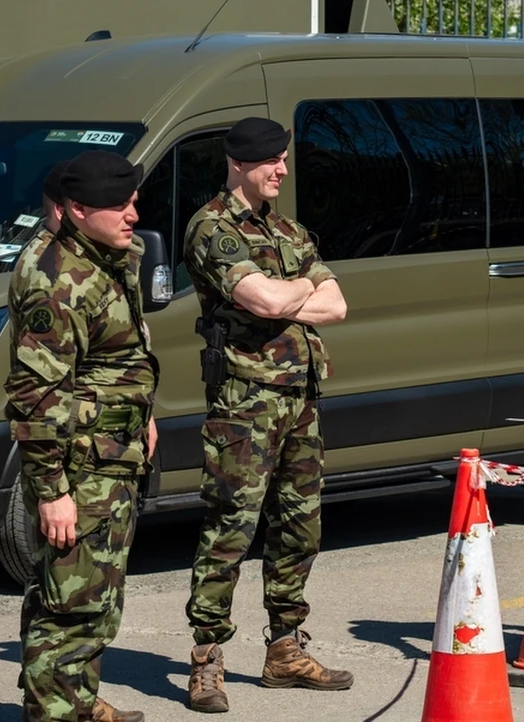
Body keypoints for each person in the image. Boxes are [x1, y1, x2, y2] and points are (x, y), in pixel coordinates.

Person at [182, 117, 350, 713]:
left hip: (300, 398)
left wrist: (291, 291)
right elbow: (264, 298)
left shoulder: (287, 228)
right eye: (271, 161)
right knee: (230, 529)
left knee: (299, 527)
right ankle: (207, 660)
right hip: (244, 403)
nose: (282, 169)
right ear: (239, 163)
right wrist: (299, 289)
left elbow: (338, 305)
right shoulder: (212, 228)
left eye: (283, 159)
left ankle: (285, 650)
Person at [6, 150, 159, 722]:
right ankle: (57, 711)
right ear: (75, 209)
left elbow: (118, 354)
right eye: (118, 205)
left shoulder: (106, 256)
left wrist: (142, 413)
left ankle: (76, 700)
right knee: (72, 606)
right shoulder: (56, 283)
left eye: (134, 200)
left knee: (86, 597)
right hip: (79, 469)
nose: (132, 214)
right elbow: (34, 396)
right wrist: (52, 491)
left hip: (110, 454)